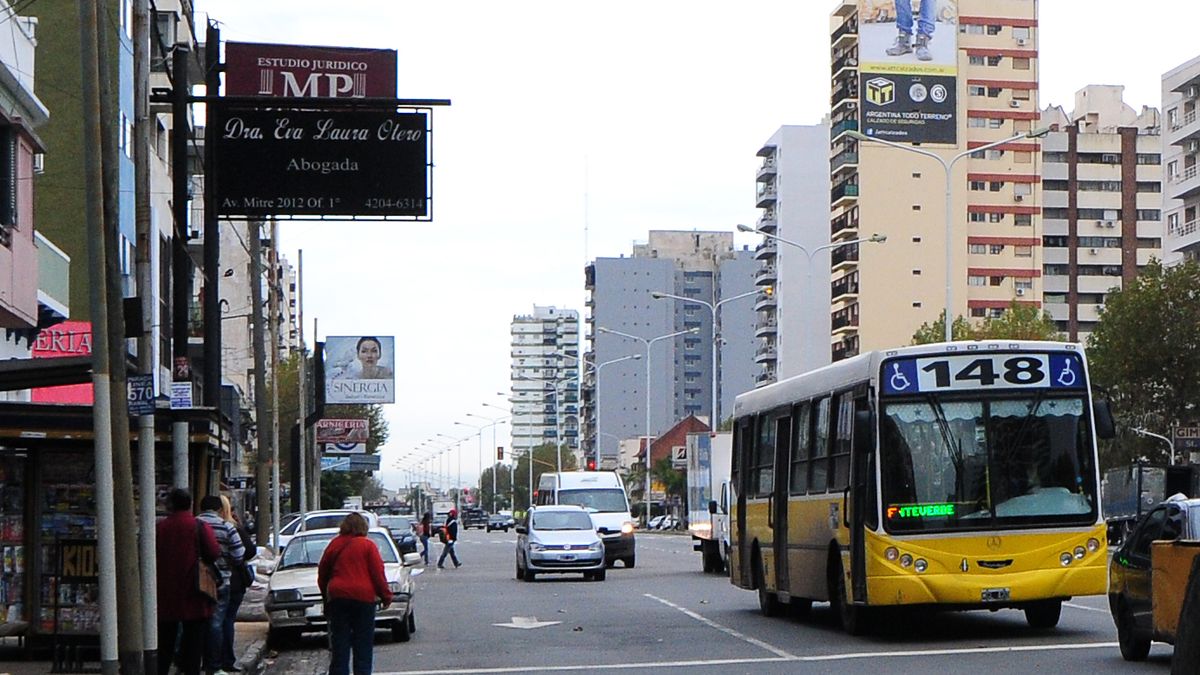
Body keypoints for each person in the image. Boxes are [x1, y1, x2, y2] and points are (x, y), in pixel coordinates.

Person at [156, 488, 221, 675]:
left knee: (164, 644)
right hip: (195, 592)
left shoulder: (160, 528)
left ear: (170, 505)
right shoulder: (198, 526)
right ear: (190, 504)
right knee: (194, 645)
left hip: (165, 594)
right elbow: (213, 552)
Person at [318, 512, 392, 675]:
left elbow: (322, 574)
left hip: (338, 597)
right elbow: (377, 573)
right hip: (364, 598)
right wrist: (386, 596)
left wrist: (326, 598)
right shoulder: (368, 546)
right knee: (363, 645)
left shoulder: (334, 545)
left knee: (340, 644)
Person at [197, 494, 246, 675]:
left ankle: (197, 661)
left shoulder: (194, 525)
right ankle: (215, 665)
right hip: (221, 580)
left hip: (195, 582)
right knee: (217, 623)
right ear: (219, 510)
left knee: (196, 623)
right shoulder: (226, 527)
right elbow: (239, 554)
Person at [219, 496, 256, 673]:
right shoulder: (232, 528)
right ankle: (226, 659)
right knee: (226, 620)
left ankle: (214, 659)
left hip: (213, 582)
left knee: (216, 621)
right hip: (233, 582)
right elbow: (248, 551)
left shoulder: (204, 527)